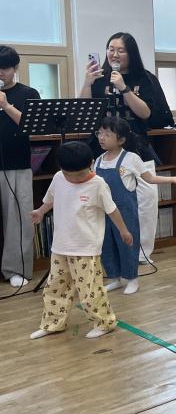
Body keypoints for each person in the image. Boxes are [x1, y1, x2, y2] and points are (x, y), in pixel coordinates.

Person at [29, 142, 131, 340]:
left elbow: (112, 210)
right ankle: (53, 323)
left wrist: (123, 230)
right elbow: (51, 198)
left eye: (80, 174)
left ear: (91, 164)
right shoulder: (59, 178)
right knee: (55, 286)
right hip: (60, 246)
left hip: (86, 248)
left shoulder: (98, 184)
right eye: (69, 174)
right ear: (61, 169)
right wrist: (40, 211)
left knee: (89, 290)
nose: (74, 179)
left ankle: (104, 322)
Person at [94, 117, 176, 295]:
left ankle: (132, 279)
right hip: (104, 211)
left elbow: (150, 178)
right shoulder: (99, 160)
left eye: (107, 134)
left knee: (127, 244)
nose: (101, 137)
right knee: (107, 245)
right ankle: (115, 278)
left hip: (125, 210)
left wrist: (173, 179)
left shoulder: (131, 158)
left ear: (121, 139)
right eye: (99, 133)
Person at [80, 32, 174, 162]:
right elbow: (85, 111)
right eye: (111, 50)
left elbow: (145, 113)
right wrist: (87, 83)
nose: (115, 55)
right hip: (102, 144)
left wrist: (124, 88)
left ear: (131, 54)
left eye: (121, 51)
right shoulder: (99, 78)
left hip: (134, 143)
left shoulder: (144, 78)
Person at [0, 45, 40, 287]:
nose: (0, 72)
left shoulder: (28, 93)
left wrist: (6, 106)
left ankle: (16, 269)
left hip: (16, 165)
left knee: (18, 220)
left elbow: (33, 128)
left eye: (4, 68)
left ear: (15, 68)